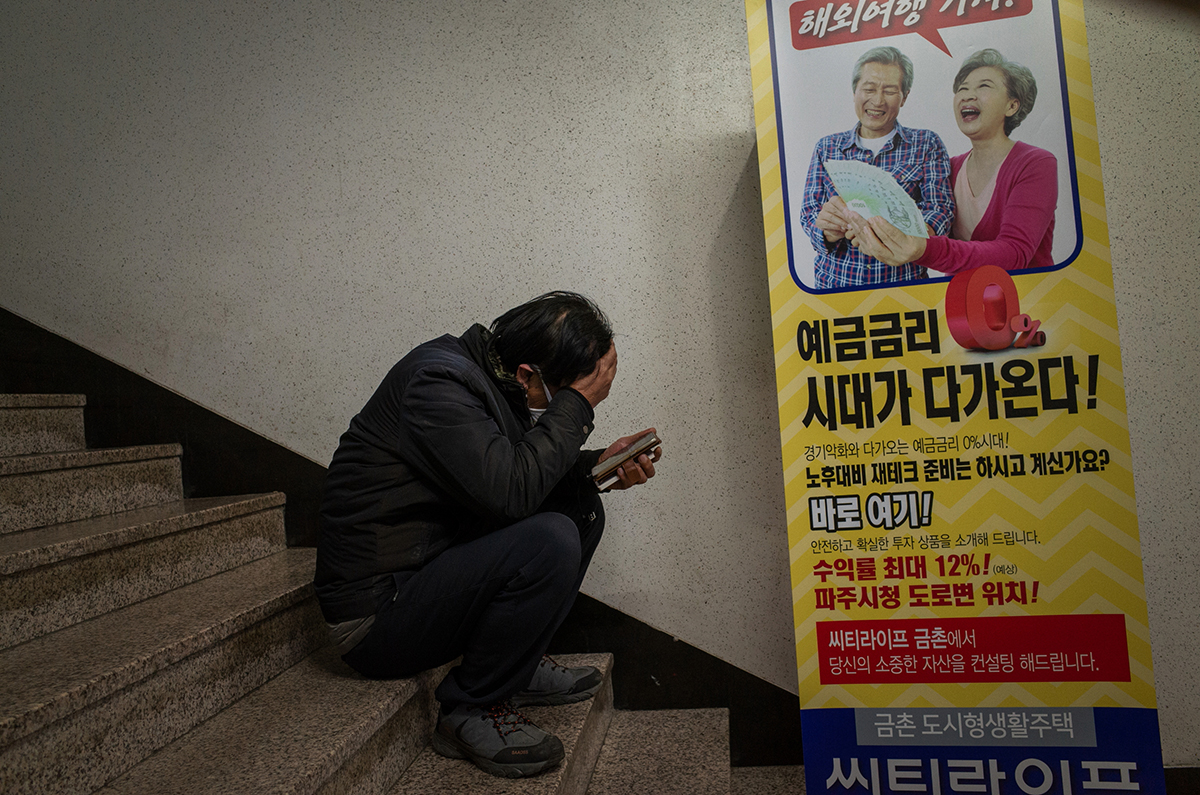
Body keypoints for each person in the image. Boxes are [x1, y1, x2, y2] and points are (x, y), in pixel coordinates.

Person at [314, 291, 662, 779]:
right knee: (550, 539)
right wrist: (579, 405)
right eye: (562, 394)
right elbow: (510, 492)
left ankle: (516, 664)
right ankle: (469, 710)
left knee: (581, 510)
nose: (562, 408)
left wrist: (596, 466)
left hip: (427, 574)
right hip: (377, 616)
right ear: (526, 374)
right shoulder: (436, 384)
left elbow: (512, 471)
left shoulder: (490, 381)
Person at [847, 49, 1057, 273]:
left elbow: (1015, 254)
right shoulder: (951, 167)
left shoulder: (1035, 163)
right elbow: (909, 218)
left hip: (1027, 293)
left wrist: (924, 249)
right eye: (963, 89)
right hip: (959, 293)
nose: (967, 96)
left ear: (1012, 106)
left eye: (984, 86)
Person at [799, 45, 954, 289]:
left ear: (904, 96)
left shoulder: (927, 144)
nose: (878, 100)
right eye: (869, 89)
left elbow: (941, 209)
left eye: (890, 91)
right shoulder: (826, 147)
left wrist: (910, 234)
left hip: (905, 287)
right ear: (855, 91)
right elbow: (809, 213)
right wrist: (827, 231)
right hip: (835, 286)